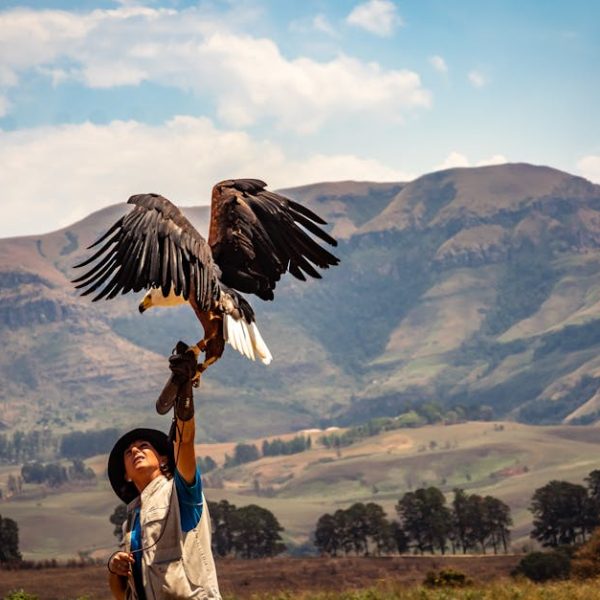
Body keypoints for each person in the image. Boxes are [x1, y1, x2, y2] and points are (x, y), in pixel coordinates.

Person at [106, 344, 221, 599]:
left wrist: (184, 392)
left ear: (164, 461)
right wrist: (114, 567)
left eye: (143, 446)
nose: (135, 451)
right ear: (125, 474)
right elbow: (121, 594)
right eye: (129, 452)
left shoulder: (180, 493)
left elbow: (185, 443)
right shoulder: (131, 521)